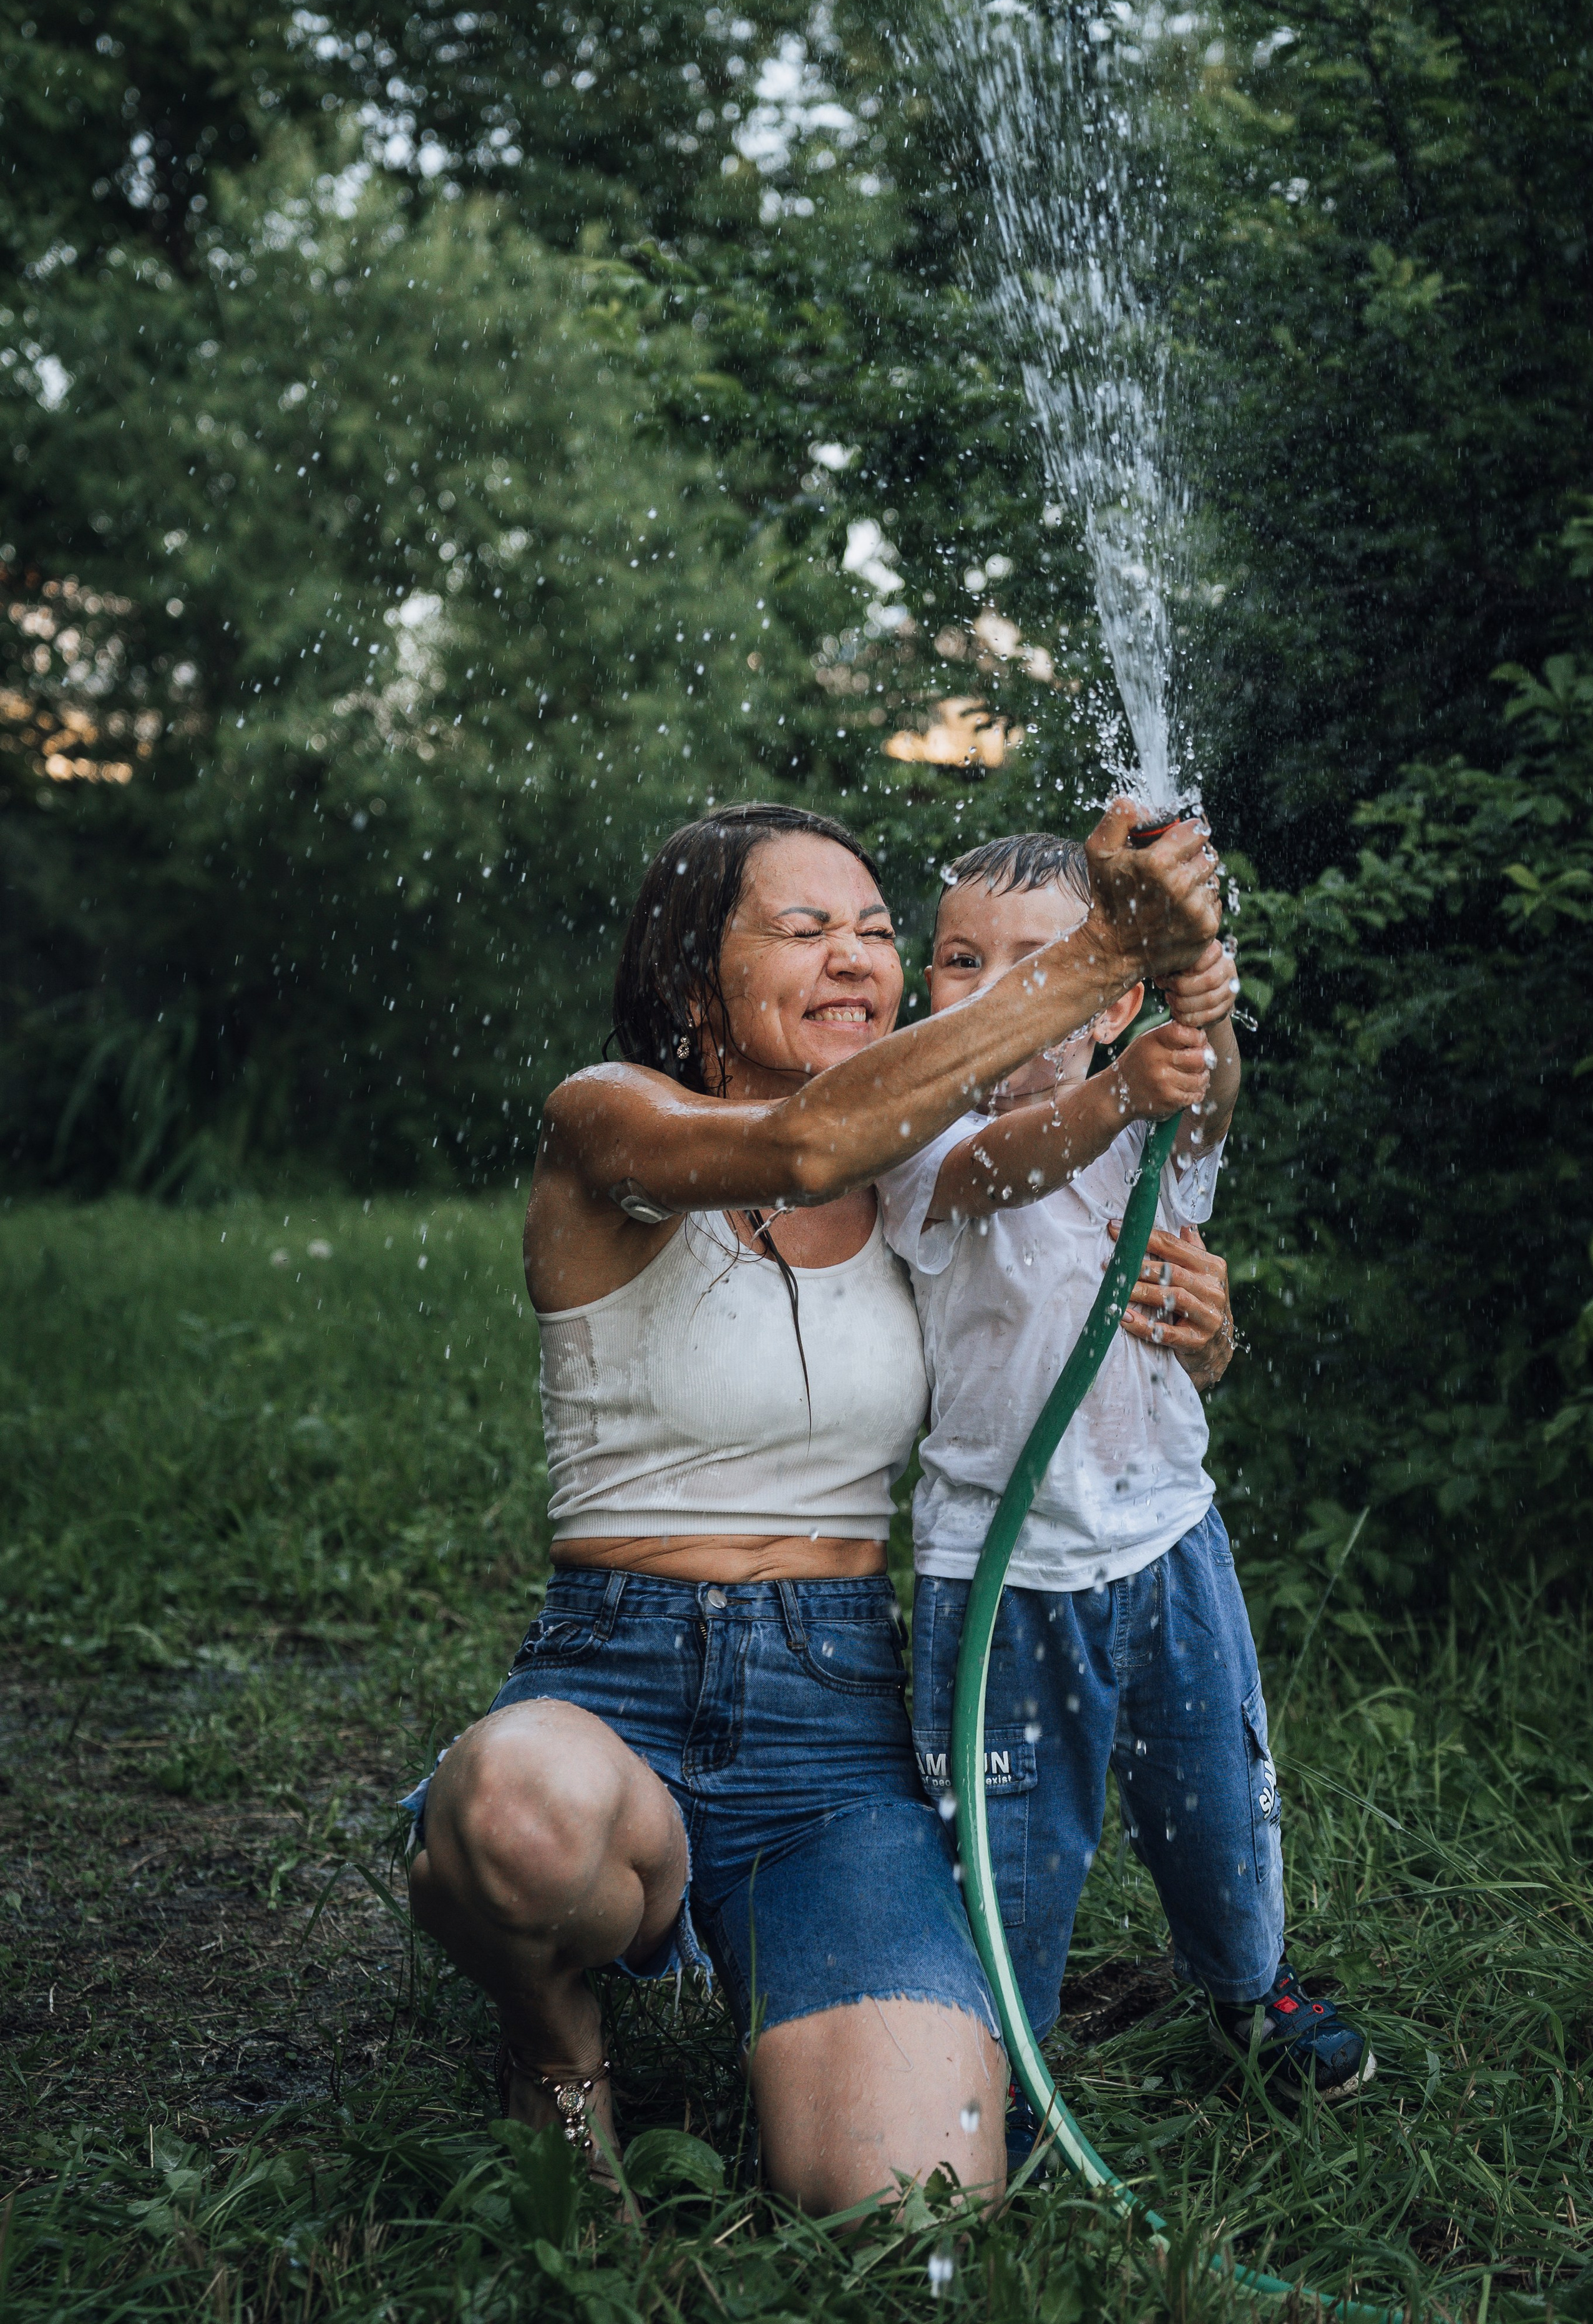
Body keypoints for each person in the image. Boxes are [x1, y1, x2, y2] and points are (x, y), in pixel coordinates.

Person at [401, 797, 1220, 2215]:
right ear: (690, 978)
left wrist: (1198, 1331)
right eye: (803, 928)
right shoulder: (612, 1120)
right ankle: (551, 2037)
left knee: (913, 2202)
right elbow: (797, 1148)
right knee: (519, 1817)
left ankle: (778, 1951)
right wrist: (1104, 950)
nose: (857, 956)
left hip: (831, 1715)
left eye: (877, 930)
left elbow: (1050, 1322)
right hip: (613, 1678)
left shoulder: (920, 1171)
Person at [877, 833, 1374, 2134]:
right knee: (1010, 1843)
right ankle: (1004, 2057)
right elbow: (1004, 1165)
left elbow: (1207, 1104)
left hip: (1168, 1540)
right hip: (1003, 1572)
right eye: (961, 961)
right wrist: (1116, 1094)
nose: (995, 989)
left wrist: (1207, 1013)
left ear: (1108, 1002)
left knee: (1218, 1801)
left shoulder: (1145, 1135)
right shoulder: (922, 1143)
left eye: (1034, 963)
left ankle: (1247, 1986)